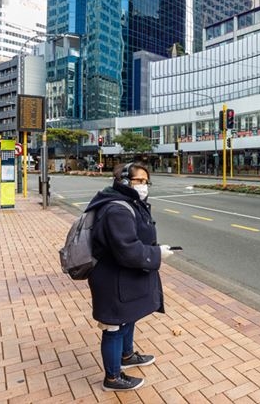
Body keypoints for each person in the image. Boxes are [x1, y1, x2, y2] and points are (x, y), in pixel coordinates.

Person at [84, 162, 173, 391]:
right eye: (138, 181)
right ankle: (112, 379)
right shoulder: (117, 209)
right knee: (114, 326)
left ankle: (127, 355)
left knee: (129, 316)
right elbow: (127, 250)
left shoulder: (129, 202)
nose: (143, 186)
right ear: (124, 181)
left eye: (146, 181)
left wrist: (154, 249)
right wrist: (157, 253)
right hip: (112, 278)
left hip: (124, 276)